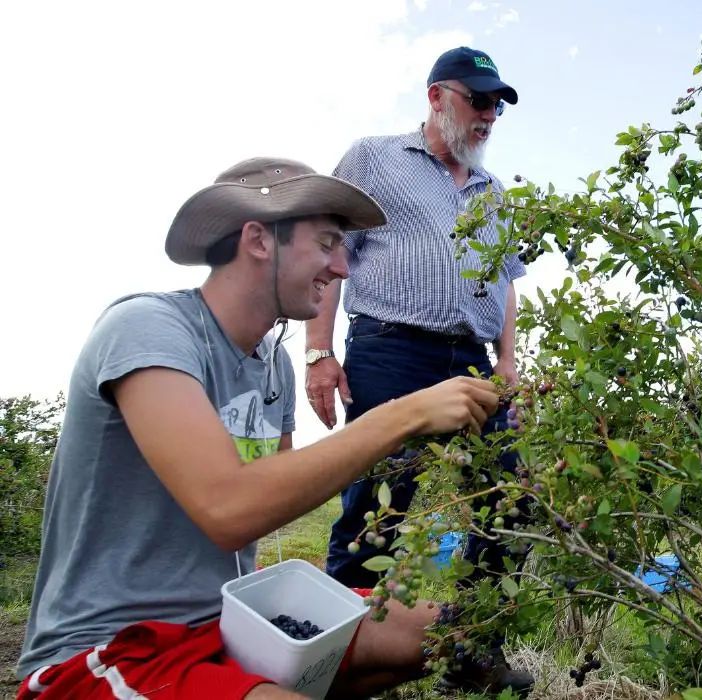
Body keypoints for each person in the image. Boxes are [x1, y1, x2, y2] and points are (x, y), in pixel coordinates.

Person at [15, 157, 503, 700]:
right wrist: (403, 414)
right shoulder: (147, 328)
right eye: (325, 243)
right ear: (257, 241)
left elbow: (273, 500)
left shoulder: (273, 364)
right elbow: (229, 512)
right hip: (113, 648)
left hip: (229, 625)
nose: (342, 267)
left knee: (447, 626)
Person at [302, 46, 534, 696]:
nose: (489, 114)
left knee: (509, 496)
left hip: (472, 359)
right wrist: (319, 354)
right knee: (381, 504)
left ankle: (473, 647)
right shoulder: (373, 158)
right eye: (478, 99)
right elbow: (328, 251)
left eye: (497, 105)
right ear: (437, 97)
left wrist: (510, 358)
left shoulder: (494, 192)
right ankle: (338, 661)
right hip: (389, 350)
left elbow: (507, 283)